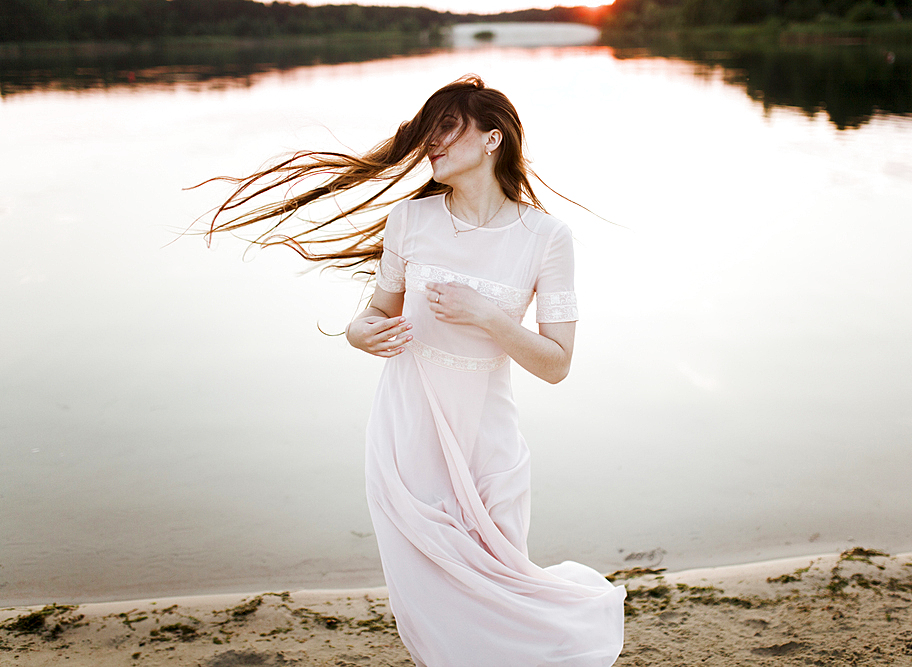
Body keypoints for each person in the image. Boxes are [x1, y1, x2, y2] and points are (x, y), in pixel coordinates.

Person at [207, 75, 625, 666]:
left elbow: (557, 364)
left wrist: (487, 317)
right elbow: (375, 312)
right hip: (408, 424)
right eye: (428, 131)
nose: (432, 143)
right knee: (432, 585)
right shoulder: (409, 221)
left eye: (447, 129)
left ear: (492, 139)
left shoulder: (546, 237)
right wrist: (358, 333)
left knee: (500, 576)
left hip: (486, 431)